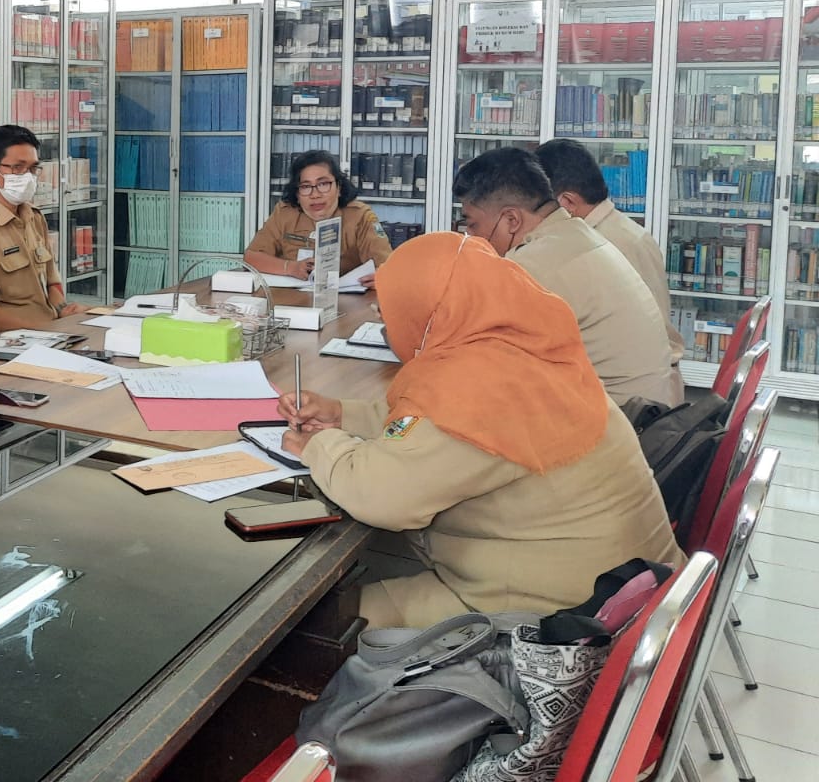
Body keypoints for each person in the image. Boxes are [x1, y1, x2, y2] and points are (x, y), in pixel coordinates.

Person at [278, 232, 684, 630]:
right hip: (630, 590)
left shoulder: (478, 389)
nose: (387, 326)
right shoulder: (521, 349)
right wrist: (341, 415)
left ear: (426, 311)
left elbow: (379, 497)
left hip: (562, 621)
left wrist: (319, 444)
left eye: (390, 312)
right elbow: (426, 429)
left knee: (317, 622)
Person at [453, 147, 679, 405]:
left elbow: (482, 358)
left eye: (472, 224)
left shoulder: (532, 262)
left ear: (512, 220)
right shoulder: (579, 234)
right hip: (646, 413)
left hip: (619, 423)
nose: (469, 237)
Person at [536, 138, 686, 392]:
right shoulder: (593, 234)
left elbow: (655, 336)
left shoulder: (622, 241)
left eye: (540, 206)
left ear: (567, 202)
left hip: (640, 397)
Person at [0, 125, 86, 332]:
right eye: (17, 168)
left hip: (52, 332)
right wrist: (43, 332)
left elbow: (52, 283)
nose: (27, 176)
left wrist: (65, 311)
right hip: (14, 342)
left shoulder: (34, 217)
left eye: (33, 168)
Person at [244, 150, 393, 281]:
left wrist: (382, 278)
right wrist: (291, 268)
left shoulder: (360, 216)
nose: (315, 195)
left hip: (346, 301)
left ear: (339, 187)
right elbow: (251, 257)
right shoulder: (284, 213)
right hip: (293, 300)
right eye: (306, 187)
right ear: (297, 193)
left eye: (323, 184)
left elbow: (387, 267)